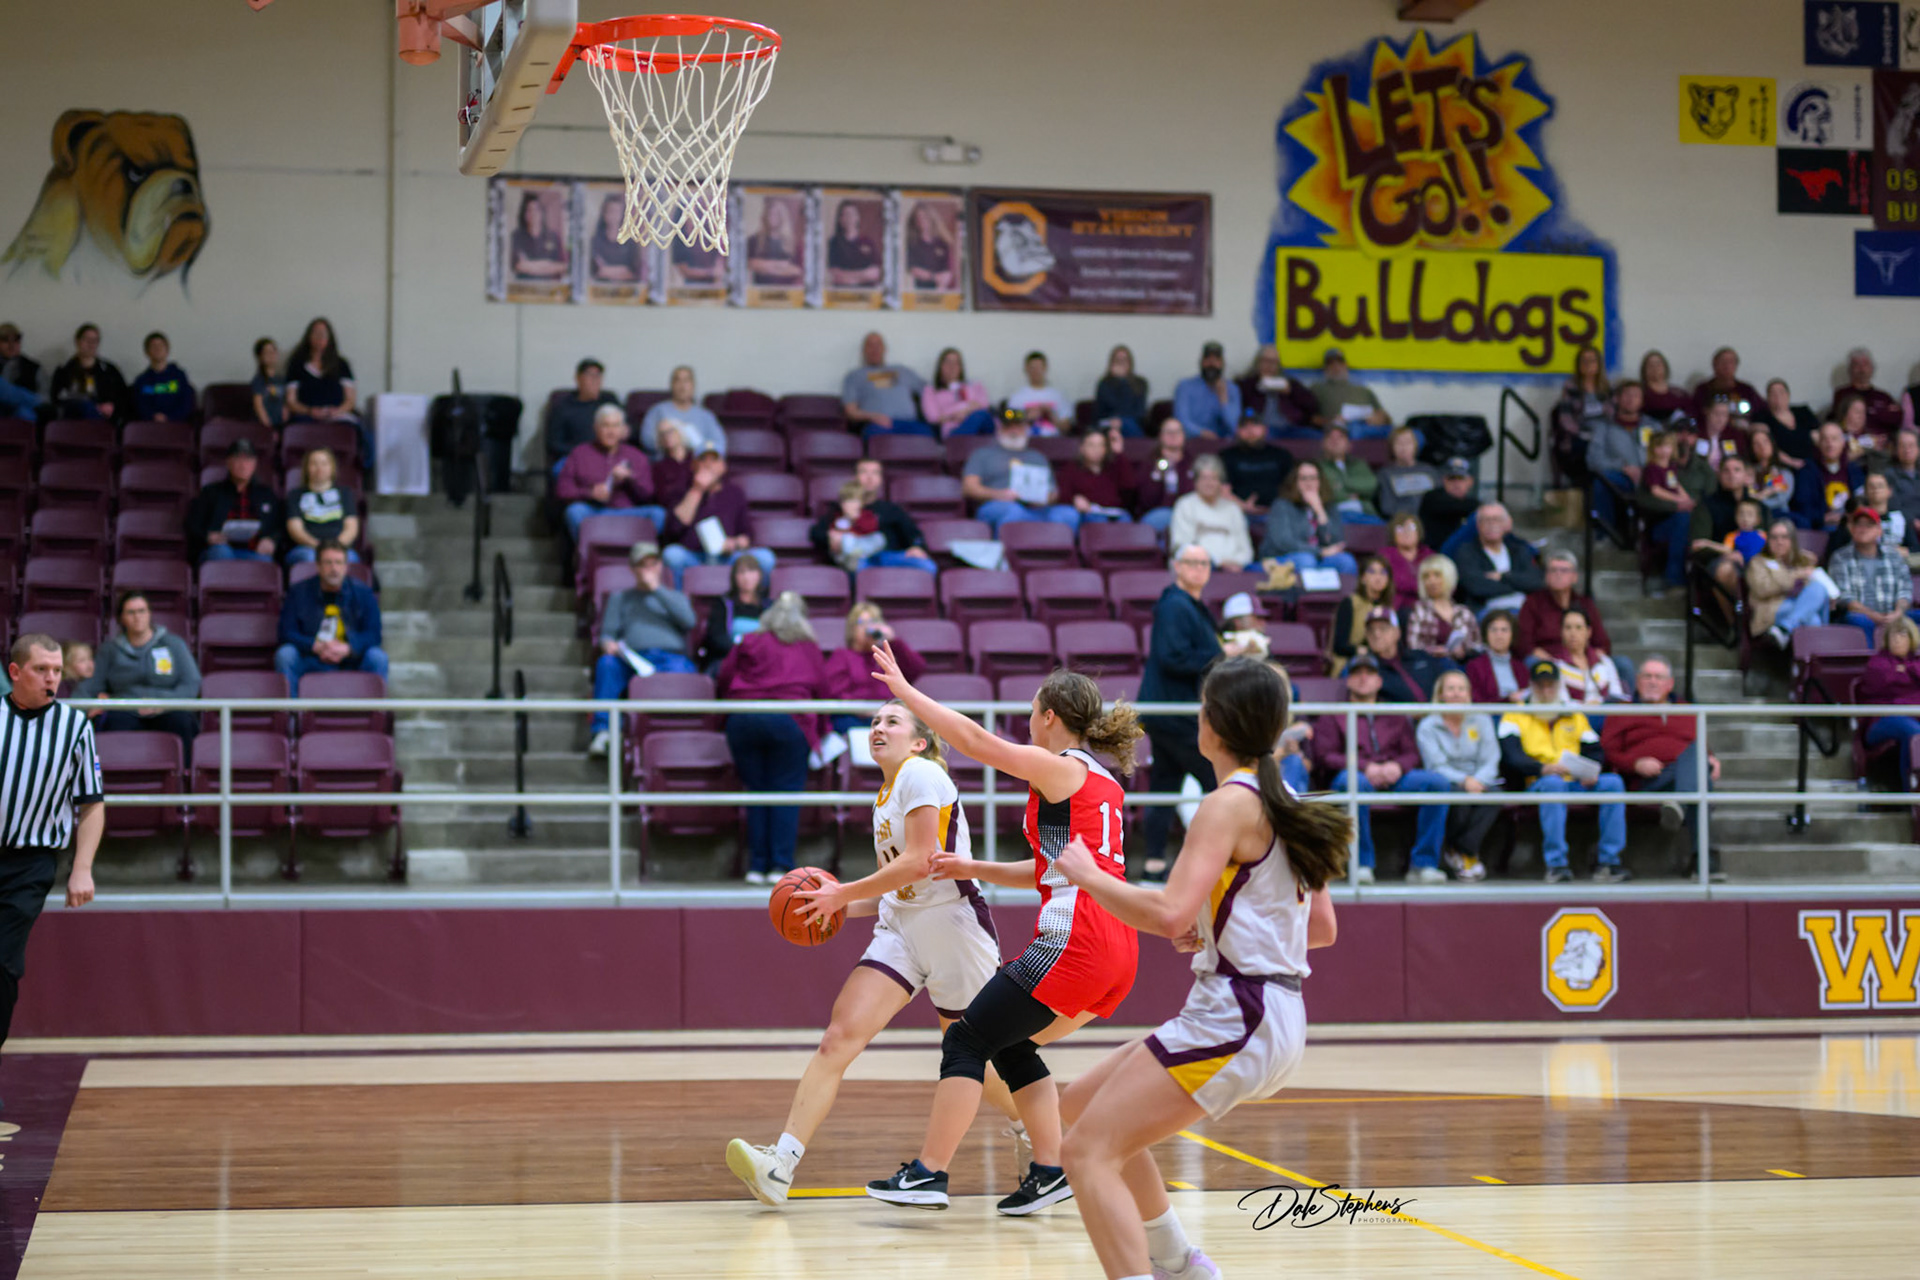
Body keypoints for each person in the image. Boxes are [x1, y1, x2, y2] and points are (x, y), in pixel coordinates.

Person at [1052, 659, 1343, 1280]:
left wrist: (1088, 876)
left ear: (1213, 723)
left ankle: (1163, 1267)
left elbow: (1165, 913)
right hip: (1269, 1010)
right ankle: (1180, 1264)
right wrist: (1216, 926)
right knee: (1080, 1104)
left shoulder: (1227, 804)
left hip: (1240, 1012)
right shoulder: (1287, 799)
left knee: (1084, 1153)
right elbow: (1320, 928)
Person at [863, 656, 1142, 1215]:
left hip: (1074, 940)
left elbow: (973, 741)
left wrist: (908, 694)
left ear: (1050, 716)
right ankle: (1049, 1170)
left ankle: (929, 1173)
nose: (1028, 723)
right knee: (1013, 1045)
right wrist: (973, 867)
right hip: (1117, 946)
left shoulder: (1061, 767)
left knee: (966, 1041)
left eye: (1032, 712)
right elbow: (1049, 869)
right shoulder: (1104, 782)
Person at [723, 697, 1015, 1210]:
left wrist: (842, 893)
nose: (878, 727)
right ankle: (780, 1165)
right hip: (901, 926)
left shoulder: (922, 773)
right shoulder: (885, 794)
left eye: (892, 721)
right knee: (839, 1037)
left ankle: (1041, 1133)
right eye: (875, 721)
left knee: (978, 1056)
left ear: (919, 741)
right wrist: (833, 907)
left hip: (953, 926)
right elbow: (897, 885)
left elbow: (922, 862)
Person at [0, 635, 102, 1063]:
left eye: (57, 670)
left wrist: (82, 868)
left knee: (3, 964)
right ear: (15, 672)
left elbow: (91, 803)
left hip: (30, 863)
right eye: (41, 669)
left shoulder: (75, 727)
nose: (52, 678)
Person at [1137, 546, 1248, 881]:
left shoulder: (1188, 605)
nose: (1199, 568)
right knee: (1218, 777)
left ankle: (1154, 864)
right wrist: (1222, 653)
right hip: (1174, 712)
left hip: (1170, 710)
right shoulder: (1175, 605)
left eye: (1204, 563)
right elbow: (1173, 657)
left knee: (1165, 784)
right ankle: (1226, 857)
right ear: (1177, 566)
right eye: (1192, 563)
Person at [716, 592, 831, 884]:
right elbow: (822, 688)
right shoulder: (808, 647)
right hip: (790, 720)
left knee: (756, 791)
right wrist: (823, 730)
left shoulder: (750, 640)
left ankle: (756, 866)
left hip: (745, 718)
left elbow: (724, 675)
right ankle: (779, 865)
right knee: (786, 793)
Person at [1311, 651, 1450, 883]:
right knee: (1352, 782)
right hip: (1357, 775)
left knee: (1438, 783)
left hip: (1394, 776)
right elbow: (1325, 756)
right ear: (1348, 681)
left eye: (1369, 673)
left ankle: (1423, 865)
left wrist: (1398, 766)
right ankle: (1361, 864)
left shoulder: (1394, 712)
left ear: (1379, 681)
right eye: (1357, 673)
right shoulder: (1334, 714)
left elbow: (1412, 754)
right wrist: (1366, 767)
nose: (1363, 678)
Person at [1497, 659, 1630, 884]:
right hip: (1537, 782)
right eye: (1540, 686)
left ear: (1559, 686)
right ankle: (1556, 865)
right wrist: (1542, 768)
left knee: (1613, 783)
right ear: (1531, 686)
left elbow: (1595, 751)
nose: (1546, 691)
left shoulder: (1573, 713)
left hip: (1575, 780)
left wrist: (1590, 771)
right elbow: (1511, 756)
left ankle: (1609, 862)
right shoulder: (1515, 714)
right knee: (1553, 784)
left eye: (1551, 685)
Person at [1600, 657, 1723, 880]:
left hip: (1684, 774)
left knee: (1696, 759)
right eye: (1647, 676)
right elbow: (1608, 751)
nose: (1652, 682)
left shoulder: (1687, 710)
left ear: (1670, 684)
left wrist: (1712, 758)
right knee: (1699, 778)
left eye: (1658, 677)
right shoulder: (1623, 711)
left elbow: (1702, 746)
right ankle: (1706, 861)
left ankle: (1679, 803)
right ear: (1637, 681)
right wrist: (1635, 763)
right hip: (1648, 781)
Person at [586, 542, 698, 757]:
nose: (648, 569)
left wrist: (656, 589)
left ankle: (679, 734)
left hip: (670, 658)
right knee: (607, 664)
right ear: (632, 569)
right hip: (632, 659)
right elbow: (607, 634)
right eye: (642, 565)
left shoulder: (675, 597)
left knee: (685, 672)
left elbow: (689, 621)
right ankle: (604, 731)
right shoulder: (620, 598)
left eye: (652, 564)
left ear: (660, 566)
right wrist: (608, 644)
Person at [74, 592, 201, 753]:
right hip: (124, 709)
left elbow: (191, 683)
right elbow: (90, 685)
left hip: (167, 709)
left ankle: (185, 770)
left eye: (142, 611)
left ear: (149, 614)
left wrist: (161, 703)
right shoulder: (109, 650)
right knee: (112, 722)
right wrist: (79, 711)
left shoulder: (174, 644)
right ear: (121, 618)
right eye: (131, 612)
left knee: (182, 721)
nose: (137, 617)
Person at [1418, 670, 1500, 882]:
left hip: (1480, 778)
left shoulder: (1482, 719)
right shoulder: (1428, 726)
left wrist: (1478, 780)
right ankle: (1467, 854)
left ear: (1469, 694)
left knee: (1496, 794)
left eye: (1461, 689)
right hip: (1448, 780)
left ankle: (1461, 849)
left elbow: (1491, 758)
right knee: (1456, 796)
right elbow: (1435, 765)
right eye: (1451, 689)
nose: (1456, 693)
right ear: (1441, 694)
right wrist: (1464, 781)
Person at [274, 542, 388, 694]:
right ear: (318, 566)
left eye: (338, 563)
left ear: (346, 566)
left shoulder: (364, 593)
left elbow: (374, 634)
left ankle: (374, 709)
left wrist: (349, 648)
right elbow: (286, 632)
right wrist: (315, 646)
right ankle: (291, 708)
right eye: (328, 563)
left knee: (377, 657)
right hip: (311, 657)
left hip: (351, 659)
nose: (334, 569)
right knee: (286, 655)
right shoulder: (298, 592)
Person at [659, 446, 773, 587]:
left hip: (728, 557)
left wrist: (735, 543)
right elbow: (673, 530)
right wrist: (697, 489)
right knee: (672, 555)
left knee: (765, 558)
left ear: (723, 466)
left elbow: (746, 535)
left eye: (714, 460)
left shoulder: (735, 493)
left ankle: (756, 601)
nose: (708, 465)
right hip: (694, 557)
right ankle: (678, 601)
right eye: (703, 460)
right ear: (693, 465)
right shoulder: (681, 491)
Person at [556, 404, 665, 540]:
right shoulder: (579, 453)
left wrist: (630, 479)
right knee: (574, 511)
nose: (611, 432)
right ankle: (590, 550)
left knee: (658, 513)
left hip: (628, 512)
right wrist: (590, 493)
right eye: (605, 426)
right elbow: (563, 490)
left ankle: (642, 553)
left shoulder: (636, 456)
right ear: (596, 428)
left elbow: (648, 494)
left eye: (615, 426)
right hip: (594, 511)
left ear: (623, 430)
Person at [808, 457, 934, 573]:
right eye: (864, 472)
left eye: (875, 473)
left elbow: (913, 534)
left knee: (927, 566)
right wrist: (832, 538)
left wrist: (917, 547)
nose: (870, 477)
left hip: (888, 557)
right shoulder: (841, 507)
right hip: (858, 559)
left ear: (881, 479)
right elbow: (816, 533)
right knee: (854, 567)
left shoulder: (891, 509)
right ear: (855, 477)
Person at [961, 411, 1078, 533]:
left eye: (1018, 427)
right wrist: (999, 494)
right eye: (1008, 427)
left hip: (1035, 508)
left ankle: (1055, 545)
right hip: (997, 505)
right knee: (1014, 511)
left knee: (1068, 514)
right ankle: (1008, 545)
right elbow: (969, 488)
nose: (1014, 431)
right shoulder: (982, 454)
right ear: (1000, 430)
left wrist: (1043, 498)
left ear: (1027, 430)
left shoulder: (1038, 457)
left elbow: (1053, 493)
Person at [823, 604, 926, 738]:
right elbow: (834, 691)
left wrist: (894, 641)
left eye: (874, 622)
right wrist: (862, 709)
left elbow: (916, 669)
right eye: (862, 623)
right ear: (852, 629)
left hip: (887, 716)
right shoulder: (843, 656)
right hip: (855, 718)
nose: (869, 628)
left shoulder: (886, 655)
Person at [187, 439, 282, 563]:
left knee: (265, 561)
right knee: (221, 552)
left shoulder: (266, 494)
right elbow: (193, 524)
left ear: (255, 464)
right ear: (228, 462)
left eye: (248, 460)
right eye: (238, 459)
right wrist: (208, 536)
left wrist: (271, 540)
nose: (243, 465)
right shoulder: (211, 492)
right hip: (220, 549)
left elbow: (278, 526)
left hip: (254, 551)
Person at [1829, 507, 1914, 646]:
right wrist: (1873, 615)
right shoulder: (1840, 557)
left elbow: (1905, 590)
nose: (1863, 529)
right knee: (1859, 621)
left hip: (1894, 613)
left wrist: (1898, 612)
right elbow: (1844, 597)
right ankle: (1872, 659)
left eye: (1869, 525)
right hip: (1859, 616)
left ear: (1879, 530)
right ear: (1851, 529)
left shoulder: (1894, 556)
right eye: (1859, 524)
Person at [1259, 460, 1358, 576]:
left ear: (1320, 481)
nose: (1309, 483)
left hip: (1317, 557)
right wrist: (1320, 552)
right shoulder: (1282, 505)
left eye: (1313, 478)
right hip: (1283, 557)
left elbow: (1336, 542)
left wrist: (1319, 510)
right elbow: (1284, 543)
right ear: (1295, 482)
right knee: (1306, 560)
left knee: (1346, 561)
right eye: (1303, 479)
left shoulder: (1329, 507)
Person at [1751, 518, 1831, 651]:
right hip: (1772, 608)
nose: (1779, 542)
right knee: (1813, 619)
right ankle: (1816, 656)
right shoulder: (1758, 562)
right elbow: (1761, 590)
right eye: (1774, 537)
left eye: (1784, 537)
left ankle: (1784, 628)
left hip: (1798, 605)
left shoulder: (1800, 561)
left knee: (1819, 588)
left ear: (1792, 540)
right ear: (1768, 540)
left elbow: (1812, 589)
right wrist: (1794, 576)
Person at [1858, 617, 1920, 786]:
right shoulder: (1876, 663)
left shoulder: (1916, 663)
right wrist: (1907, 676)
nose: (1897, 640)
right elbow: (1884, 682)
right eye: (1893, 636)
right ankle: (1912, 793)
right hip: (1882, 721)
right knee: (1915, 733)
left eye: (1902, 635)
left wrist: (1907, 669)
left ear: (1912, 639)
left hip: (1914, 717)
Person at [1348, 608, 1454, 704]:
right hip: (1395, 718)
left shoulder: (1420, 656)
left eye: (1383, 628)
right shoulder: (1364, 668)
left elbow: (1450, 676)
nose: (1376, 634)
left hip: (1437, 715)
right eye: (1371, 630)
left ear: (1397, 632)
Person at [1518, 551, 1613, 658]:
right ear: (1546, 576)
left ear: (1574, 577)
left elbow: (1603, 643)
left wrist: (1592, 658)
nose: (1558, 574)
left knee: (1622, 662)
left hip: (1583, 659)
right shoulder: (1533, 602)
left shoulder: (1586, 604)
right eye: (1553, 570)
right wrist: (1547, 659)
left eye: (1564, 570)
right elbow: (1524, 644)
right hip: (1547, 660)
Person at [1455, 502, 1544, 615]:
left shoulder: (1519, 550)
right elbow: (1476, 587)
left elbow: (1535, 581)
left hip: (1523, 610)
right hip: (1487, 612)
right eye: (1486, 520)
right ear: (1478, 525)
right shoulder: (1467, 551)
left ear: (1507, 524)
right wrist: (1519, 585)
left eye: (1496, 519)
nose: (1491, 524)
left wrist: (1503, 576)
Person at [1167, 456, 1253, 572]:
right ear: (1195, 482)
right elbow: (1182, 546)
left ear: (1220, 483)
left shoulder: (1233, 509)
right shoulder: (1185, 505)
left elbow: (1246, 549)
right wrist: (1216, 563)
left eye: (1214, 478)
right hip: (1198, 567)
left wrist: (1238, 563)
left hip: (1235, 568)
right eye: (1204, 478)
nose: (1209, 483)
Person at [1587, 381, 1649, 533]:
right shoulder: (1603, 427)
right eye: (1627, 395)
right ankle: (1604, 535)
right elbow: (1593, 460)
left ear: (1642, 401)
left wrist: (1647, 471)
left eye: (1636, 396)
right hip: (1620, 476)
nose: (1631, 399)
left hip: (1651, 476)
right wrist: (1623, 467)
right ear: (1617, 399)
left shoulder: (1653, 426)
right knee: (1602, 481)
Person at [283, 447, 362, 566]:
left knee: (351, 558)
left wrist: (334, 548)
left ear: (332, 468)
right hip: (307, 548)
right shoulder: (295, 495)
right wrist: (319, 547)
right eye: (314, 464)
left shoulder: (345, 494)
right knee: (309, 558)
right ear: (306, 468)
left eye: (324, 463)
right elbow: (295, 530)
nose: (319, 468)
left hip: (339, 547)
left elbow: (351, 528)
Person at [842, 333, 929, 438]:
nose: (875, 349)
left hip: (911, 424)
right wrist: (872, 416)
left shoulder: (903, 371)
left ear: (884, 349)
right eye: (870, 345)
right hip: (879, 425)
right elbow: (851, 412)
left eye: (878, 345)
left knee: (930, 436)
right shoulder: (854, 376)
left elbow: (930, 392)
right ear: (863, 351)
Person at [1217, 413, 1294, 528]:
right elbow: (1221, 489)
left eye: (1255, 424)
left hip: (1278, 512)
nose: (1250, 430)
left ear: (1265, 429)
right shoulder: (1226, 456)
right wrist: (1242, 506)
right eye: (1244, 426)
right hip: (1238, 512)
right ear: (1237, 431)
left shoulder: (1281, 455)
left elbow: (1293, 486)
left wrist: (1279, 507)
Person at [547, 358, 623, 469]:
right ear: (578, 378)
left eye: (598, 376)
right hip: (575, 456)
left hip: (609, 455)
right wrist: (585, 452)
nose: (595, 380)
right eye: (590, 376)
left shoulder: (610, 400)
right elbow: (554, 444)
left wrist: (626, 431)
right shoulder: (563, 407)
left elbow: (629, 428)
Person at [696, 553, 767, 672]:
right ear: (734, 577)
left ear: (759, 575)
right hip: (729, 659)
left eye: (751, 571)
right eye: (742, 572)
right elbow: (716, 637)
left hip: (760, 660)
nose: (746, 577)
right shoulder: (723, 603)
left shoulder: (767, 606)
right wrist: (742, 651)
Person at [1404, 555, 1480, 663]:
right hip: (1432, 666)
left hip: (1463, 666)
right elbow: (1414, 648)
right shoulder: (1419, 611)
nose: (1431, 581)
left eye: (1437, 575)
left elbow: (1477, 646)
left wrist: (1463, 650)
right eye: (1426, 577)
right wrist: (1434, 651)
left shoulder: (1464, 612)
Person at [639, 365, 725, 458]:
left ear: (693, 385)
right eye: (677, 380)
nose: (682, 385)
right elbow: (646, 440)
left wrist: (696, 447)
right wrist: (664, 440)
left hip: (697, 463)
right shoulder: (657, 411)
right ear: (671, 385)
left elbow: (720, 445)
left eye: (686, 380)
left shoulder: (706, 416)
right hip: (664, 463)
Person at [1235, 344, 1320, 439]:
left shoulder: (1289, 383)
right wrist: (1260, 385)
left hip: (1289, 427)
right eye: (1266, 360)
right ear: (1258, 362)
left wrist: (1291, 392)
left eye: (1273, 362)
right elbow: (1242, 409)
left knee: (1316, 437)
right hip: (1263, 428)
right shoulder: (1247, 384)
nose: (1269, 366)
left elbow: (1312, 404)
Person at [1792, 421, 1864, 532]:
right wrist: (1822, 518)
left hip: (1852, 524)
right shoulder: (1807, 472)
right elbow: (1803, 506)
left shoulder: (1854, 470)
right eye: (1825, 439)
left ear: (1843, 442)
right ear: (1819, 443)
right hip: (1822, 527)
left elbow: (1862, 500)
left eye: (1834, 439)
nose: (1830, 444)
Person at [1327, 557, 1395, 672]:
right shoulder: (1350, 603)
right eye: (1372, 572)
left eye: (1383, 572)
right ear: (1363, 578)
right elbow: (1339, 646)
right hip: (1352, 661)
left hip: (1384, 662)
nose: (1378, 577)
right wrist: (1365, 651)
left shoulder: (1389, 608)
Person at [1548, 607, 1628, 706]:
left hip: (1606, 713)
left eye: (1578, 627)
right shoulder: (1556, 665)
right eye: (1568, 628)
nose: (1573, 633)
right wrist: (1589, 706)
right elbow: (1563, 702)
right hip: (1575, 715)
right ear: (1561, 632)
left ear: (1588, 632)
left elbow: (1616, 694)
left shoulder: (1603, 661)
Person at [1056, 428, 1137, 525]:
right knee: (1098, 522)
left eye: (1101, 445)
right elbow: (1062, 494)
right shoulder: (1071, 469)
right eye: (1091, 445)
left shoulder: (1115, 466)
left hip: (1116, 513)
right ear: (1082, 448)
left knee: (1126, 521)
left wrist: (1119, 453)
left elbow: (1129, 487)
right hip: (1089, 514)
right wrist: (1074, 499)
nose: (1096, 450)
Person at [49, 322, 128, 420]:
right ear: (77, 342)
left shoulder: (109, 371)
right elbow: (56, 399)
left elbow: (123, 397)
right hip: (72, 418)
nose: (91, 344)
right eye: (87, 340)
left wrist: (111, 406)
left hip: (103, 419)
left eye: (95, 340)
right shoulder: (63, 371)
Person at [1553, 343, 1611, 474]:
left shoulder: (1606, 387)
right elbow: (1565, 418)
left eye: (1592, 360)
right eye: (1584, 361)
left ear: (1599, 364)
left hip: (1603, 433)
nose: (1588, 364)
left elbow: (1612, 413)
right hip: (1579, 434)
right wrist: (1580, 432)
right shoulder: (1571, 386)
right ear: (1578, 365)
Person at [1311, 347, 1391, 435]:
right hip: (1337, 430)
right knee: (1353, 429)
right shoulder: (1317, 389)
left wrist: (1378, 419)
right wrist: (1331, 421)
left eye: (1340, 363)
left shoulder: (1364, 390)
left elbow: (1385, 417)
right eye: (1331, 364)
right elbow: (1309, 418)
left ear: (1346, 365)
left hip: (1365, 428)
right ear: (1325, 368)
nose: (1336, 366)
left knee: (1391, 431)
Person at [1135, 418, 1195, 533]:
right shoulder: (1149, 463)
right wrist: (1158, 476)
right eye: (1168, 432)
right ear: (1160, 436)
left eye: (1177, 432)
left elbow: (1193, 495)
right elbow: (1145, 501)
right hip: (1156, 514)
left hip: (1187, 513)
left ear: (1184, 436)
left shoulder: (1191, 463)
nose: (1173, 435)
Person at [1171, 341, 1239, 439]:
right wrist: (1201, 433)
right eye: (1207, 359)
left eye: (1216, 360)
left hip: (1222, 442)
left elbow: (1235, 427)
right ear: (1201, 362)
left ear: (1222, 364)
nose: (1211, 364)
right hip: (1192, 440)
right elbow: (1181, 421)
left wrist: (1224, 400)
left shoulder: (1232, 389)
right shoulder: (1185, 386)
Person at [920, 347, 992, 439]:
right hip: (954, 431)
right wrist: (956, 413)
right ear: (940, 366)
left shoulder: (974, 385)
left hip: (982, 429)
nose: (952, 367)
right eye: (948, 362)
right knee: (978, 415)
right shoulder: (930, 390)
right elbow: (933, 417)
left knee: (982, 415)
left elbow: (985, 406)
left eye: (956, 363)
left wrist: (965, 412)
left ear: (961, 368)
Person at [1829, 347, 1902, 433]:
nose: (1862, 369)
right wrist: (1879, 412)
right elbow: (1840, 420)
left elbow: (1897, 419)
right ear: (1850, 370)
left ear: (1872, 368)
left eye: (1865, 364)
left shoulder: (1883, 396)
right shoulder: (1842, 394)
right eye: (1857, 365)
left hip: (1884, 439)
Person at [1318, 424, 1380, 521]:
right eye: (1330, 437)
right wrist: (1352, 494)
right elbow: (1324, 493)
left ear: (1349, 444)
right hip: (1334, 515)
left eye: (1340, 437)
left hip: (1364, 512)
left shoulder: (1359, 464)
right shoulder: (1317, 466)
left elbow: (1372, 485)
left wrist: (1342, 483)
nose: (1335, 441)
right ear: (1323, 443)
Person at [1466, 609, 1529, 705]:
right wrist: (1508, 700)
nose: (1499, 635)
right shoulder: (1475, 666)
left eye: (1504, 630)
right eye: (1493, 630)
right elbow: (1477, 701)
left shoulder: (1521, 668)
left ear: (1512, 635)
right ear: (1486, 635)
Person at [1375, 426, 1438, 520]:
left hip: (1432, 519)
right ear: (1392, 447)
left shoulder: (1429, 470)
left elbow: (1439, 500)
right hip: (1403, 520)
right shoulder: (1385, 474)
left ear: (1415, 445)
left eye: (1408, 442)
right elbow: (1387, 507)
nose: (1404, 448)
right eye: (1399, 443)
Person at [130, 331, 195, 422]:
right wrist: (153, 416)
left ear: (167, 350)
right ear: (147, 352)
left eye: (161, 345)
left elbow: (186, 404)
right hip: (150, 425)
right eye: (153, 346)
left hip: (176, 425)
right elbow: (140, 406)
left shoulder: (179, 376)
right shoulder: (142, 380)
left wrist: (169, 418)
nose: (158, 349)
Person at [1419, 457, 1480, 548]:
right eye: (1451, 478)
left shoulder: (1470, 504)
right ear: (1444, 480)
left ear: (1470, 481)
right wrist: (1481, 507)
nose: (1456, 483)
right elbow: (1456, 506)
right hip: (1436, 552)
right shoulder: (1433, 497)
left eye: (1461, 479)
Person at [1005, 351, 1070, 434]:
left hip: (1053, 440)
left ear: (1045, 368)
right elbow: (1008, 416)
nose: (1036, 371)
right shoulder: (1017, 396)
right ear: (1026, 369)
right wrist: (1026, 415)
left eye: (1039, 367)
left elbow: (1066, 428)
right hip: (1025, 439)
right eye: (1032, 367)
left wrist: (1051, 416)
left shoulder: (1057, 396)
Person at [744, 197, 804, 286]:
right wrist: (779, 265)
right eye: (770, 214)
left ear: (782, 217)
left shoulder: (792, 243)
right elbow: (750, 263)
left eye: (775, 214)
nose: (772, 218)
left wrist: (765, 267)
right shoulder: (754, 240)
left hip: (786, 290)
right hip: (761, 289)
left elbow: (797, 270)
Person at [1758, 377, 1819, 464]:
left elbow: (1817, 437)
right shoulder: (1763, 418)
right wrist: (1792, 462)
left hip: (1811, 460)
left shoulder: (1803, 412)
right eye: (1773, 393)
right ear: (1767, 398)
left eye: (1781, 392)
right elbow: (1767, 446)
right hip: (1783, 464)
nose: (1777, 396)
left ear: (1788, 395)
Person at [1692, 346, 1762, 419]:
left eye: (1731, 362)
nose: (1727, 366)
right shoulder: (1703, 390)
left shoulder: (1746, 390)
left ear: (1736, 366)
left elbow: (1761, 411)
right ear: (1714, 365)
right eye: (1723, 362)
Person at [1380, 511, 1433, 609]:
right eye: (1400, 528)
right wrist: (1422, 586)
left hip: (1428, 606)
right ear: (1393, 534)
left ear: (1419, 531)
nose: (1406, 532)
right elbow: (1391, 582)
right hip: (1397, 607)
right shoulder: (1385, 555)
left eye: (1411, 527)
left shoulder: (1429, 555)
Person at [1094, 345, 1149, 438]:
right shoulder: (1104, 384)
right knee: (1116, 423)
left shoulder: (1140, 383)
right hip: (1106, 422)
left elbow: (1139, 413)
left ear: (1130, 362)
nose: (1121, 364)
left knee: (1126, 422)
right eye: (1117, 360)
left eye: (1124, 360)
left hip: (1132, 422)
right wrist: (1118, 381)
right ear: (1111, 363)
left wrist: (1123, 382)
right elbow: (1099, 415)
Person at [510, 191, 568, 279]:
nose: (533, 214)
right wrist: (547, 264)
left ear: (542, 213)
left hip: (549, 285)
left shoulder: (553, 237)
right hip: (524, 285)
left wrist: (529, 265)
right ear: (525, 214)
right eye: (529, 210)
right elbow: (519, 266)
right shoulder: (517, 236)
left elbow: (563, 266)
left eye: (536, 210)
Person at [589, 192, 644, 283]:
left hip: (627, 289)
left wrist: (607, 270)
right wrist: (622, 270)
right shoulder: (595, 242)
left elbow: (634, 273)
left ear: (623, 215)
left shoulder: (631, 242)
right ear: (604, 214)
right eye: (611, 211)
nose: (613, 216)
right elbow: (595, 272)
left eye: (617, 212)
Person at [826, 200, 882, 287]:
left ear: (858, 217)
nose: (850, 218)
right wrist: (863, 276)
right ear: (840, 220)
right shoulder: (834, 243)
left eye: (853, 214)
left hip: (867, 293)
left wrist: (851, 278)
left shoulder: (868, 242)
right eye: (846, 215)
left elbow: (875, 273)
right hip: (842, 292)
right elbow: (835, 275)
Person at [904, 201, 957, 290]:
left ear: (931, 218)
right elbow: (914, 269)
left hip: (943, 290)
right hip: (921, 291)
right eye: (917, 218)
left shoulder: (943, 243)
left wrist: (941, 285)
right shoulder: (912, 244)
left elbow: (949, 271)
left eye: (924, 217)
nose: (921, 221)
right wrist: (934, 277)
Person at [1746, 424, 1795, 518]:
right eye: (1756, 443)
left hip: (1778, 514)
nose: (1762, 446)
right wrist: (1765, 493)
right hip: (1752, 515)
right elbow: (1749, 493)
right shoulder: (1749, 471)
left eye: (1765, 441)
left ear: (1772, 444)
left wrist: (1759, 499)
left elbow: (1780, 499)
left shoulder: (1782, 473)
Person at [1637, 349, 1692, 423]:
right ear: (1644, 370)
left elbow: (1691, 416)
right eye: (1650, 365)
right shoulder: (1639, 393)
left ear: (1665, 367)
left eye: (1658, 364)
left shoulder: (1680, 393)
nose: (1655, 368)